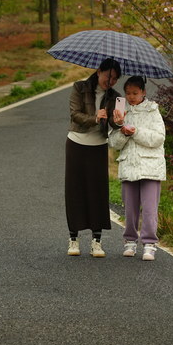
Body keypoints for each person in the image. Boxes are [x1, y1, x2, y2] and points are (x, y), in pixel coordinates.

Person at [65, 58, 123, 257]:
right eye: (109, 76)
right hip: (76, 143)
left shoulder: (115, 97)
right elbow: (75, 114)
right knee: (75, 190)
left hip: (98, 146)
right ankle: (73, 239)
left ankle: (96, 241)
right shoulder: (79, 88)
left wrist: (118, 122)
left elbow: (115, 127)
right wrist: (95, 118)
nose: (111, 81)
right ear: (99, 71)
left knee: (98, 192)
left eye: (115, 78)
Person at [108, 75, 166, 261]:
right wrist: (122, 130)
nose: (131, 96)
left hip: (150, 166)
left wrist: (136, 131)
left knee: (149, 209)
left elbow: (158, 138)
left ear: (143, 92)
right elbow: (114, 143)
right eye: (128, 93)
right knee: (130, 209)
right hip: (129, 166)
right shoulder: (120, 112)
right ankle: (130, 242)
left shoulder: (152, 110)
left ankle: (149, 244)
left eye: (135, 93)